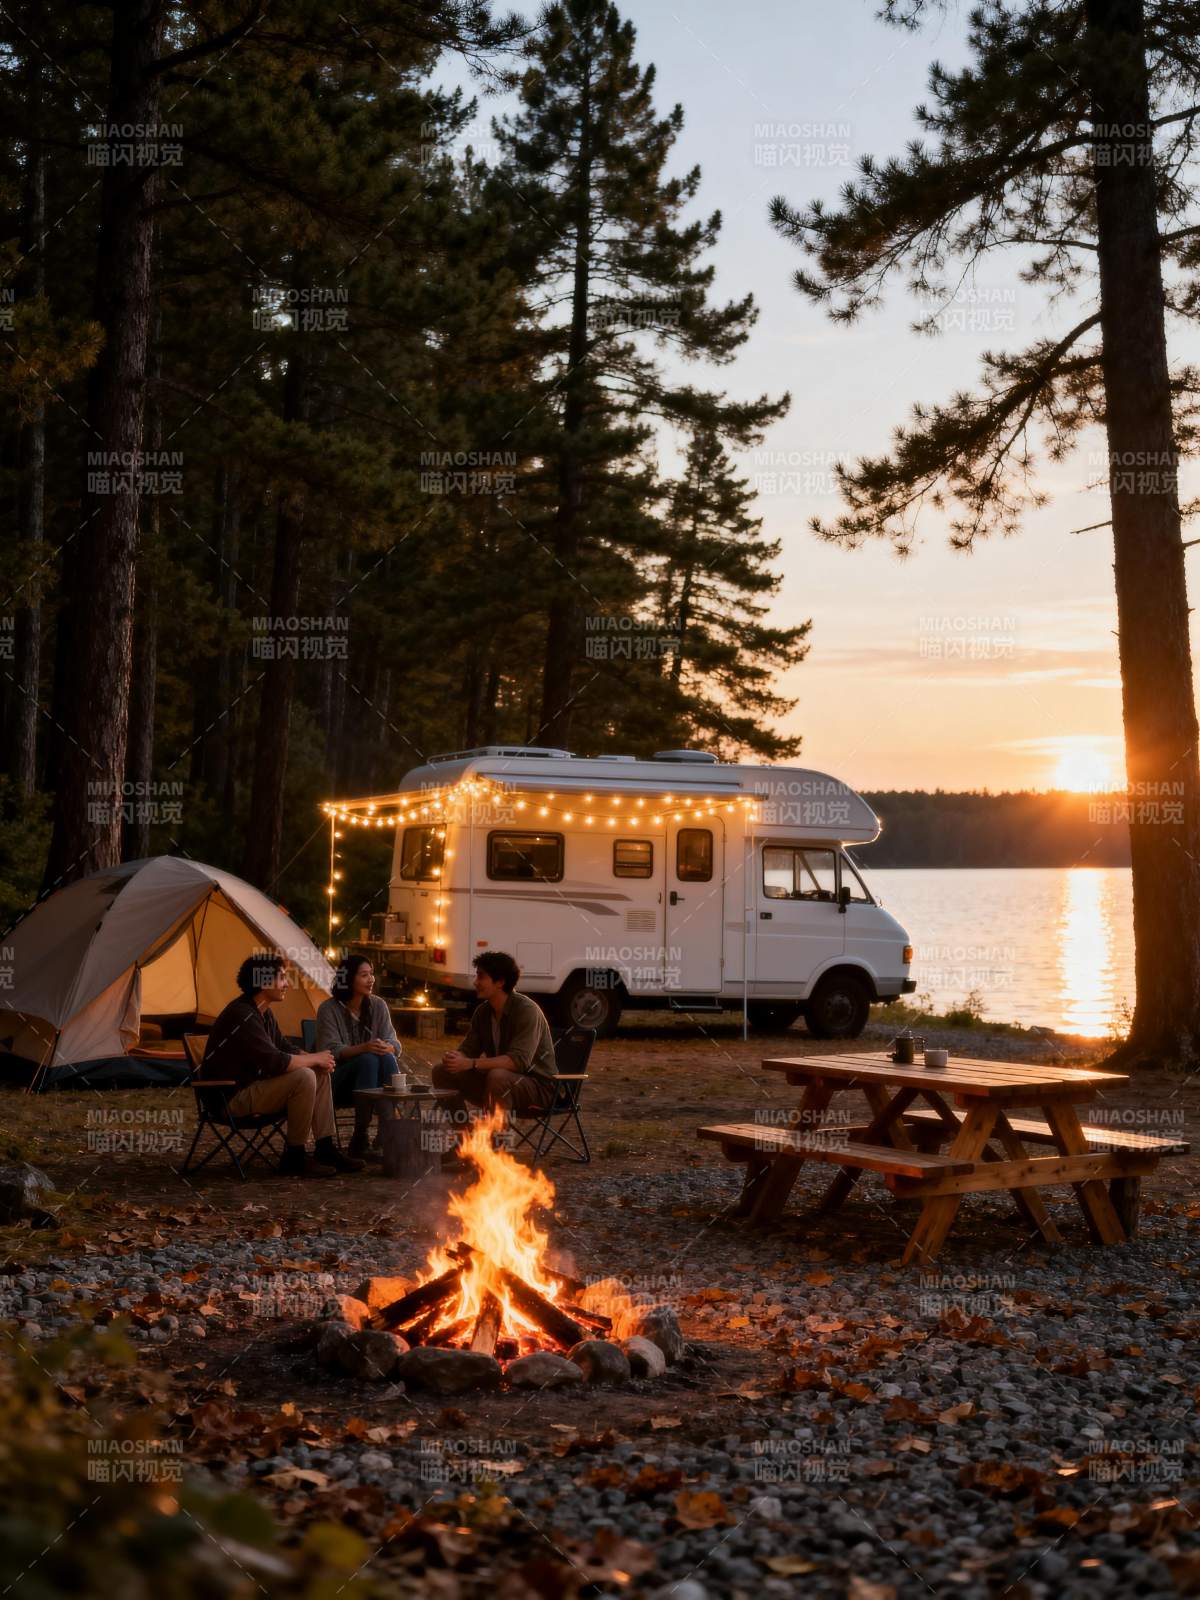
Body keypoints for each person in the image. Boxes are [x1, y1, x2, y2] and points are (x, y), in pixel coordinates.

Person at [201, 952, 362, 1177]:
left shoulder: (262, 1011)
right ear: (265, 981)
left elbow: (286, 1048)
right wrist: (314, 1058)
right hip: (229, 1097)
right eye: (282, 978)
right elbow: (275, 1062)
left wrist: (319, 1060)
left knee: (317, 1071)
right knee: (304, 1075)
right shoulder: (243, 1015)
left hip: (251, 1088)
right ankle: (294, 1157)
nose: (287, 984)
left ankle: (325, 1148)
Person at [433, 951, 557, 1118]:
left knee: (498, 1077)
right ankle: (465, 1134)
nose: (476, 982)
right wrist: (455, 1058)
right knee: (442, 1071)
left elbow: (518, 1061)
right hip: (498, 1084)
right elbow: (468, 1050)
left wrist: (471, 1063)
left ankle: (496, 1142)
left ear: (500, 982)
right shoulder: (483, 1012)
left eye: (481, 977)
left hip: (539, 1089)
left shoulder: (527, 1011)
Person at [315, 954, 406, 1159]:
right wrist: (364, 1047)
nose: (371, 979)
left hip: (373, 1079)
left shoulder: (378, 1005)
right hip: (337, 1081)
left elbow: (395, 1043)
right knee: (368, 1058)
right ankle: (360, 1136)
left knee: (386, 1058)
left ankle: (386, 1134)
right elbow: (330, 1050)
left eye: (371, 974)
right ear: (348, 979)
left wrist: (387, 1047)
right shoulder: (328, 1009)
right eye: (364, 975)